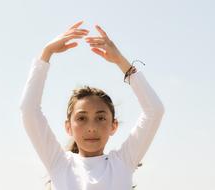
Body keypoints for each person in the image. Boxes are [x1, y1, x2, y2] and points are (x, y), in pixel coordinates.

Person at [19, 20, 165, 190]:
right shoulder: (59, 163)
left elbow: (155, 110)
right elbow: (28, 110)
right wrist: (46, 53)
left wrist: (122, 62)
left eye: (101, 118)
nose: (91, 127)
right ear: (68, 127)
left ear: (113, 126)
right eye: (81, 118)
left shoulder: (123, 162)